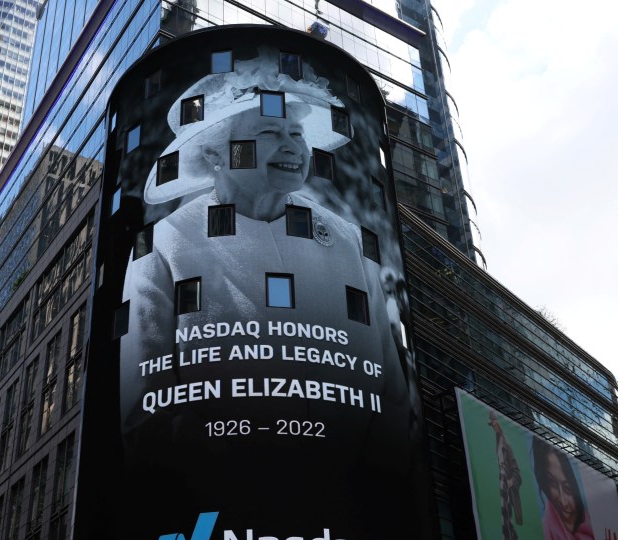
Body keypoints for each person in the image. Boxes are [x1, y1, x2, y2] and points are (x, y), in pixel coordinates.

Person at [118, 51, 412, 450]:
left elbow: (390, 389)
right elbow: (143, 402)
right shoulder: (163, 243)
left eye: (296, 135)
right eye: (268, 134)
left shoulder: (347, 238)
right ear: (214, 154)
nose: (292, 148)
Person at [489, 412, 530, 540]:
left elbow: (517, 471)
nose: (493, 426)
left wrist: (511, 480)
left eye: (495, 423)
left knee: (505, 524)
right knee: (507, 524)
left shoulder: (506, 442)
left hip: (507, 483)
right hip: (502, 480)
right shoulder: (498, 440)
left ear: (499, 423)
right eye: (491, 424)